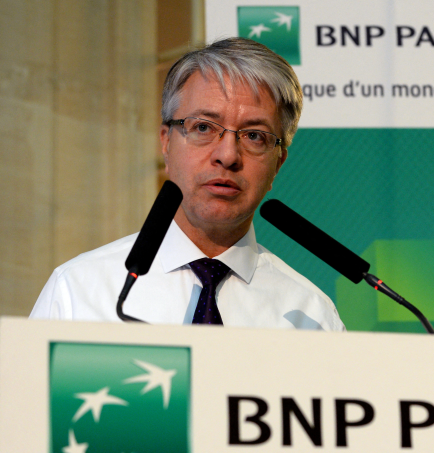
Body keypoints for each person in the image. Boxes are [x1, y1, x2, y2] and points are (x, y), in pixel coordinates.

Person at [30, 38, 345, 331]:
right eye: (204, 127)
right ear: (166, 143)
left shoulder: (312, 317)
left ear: (278, 164)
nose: (227, 155)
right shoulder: (80, 292)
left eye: (254, 136)